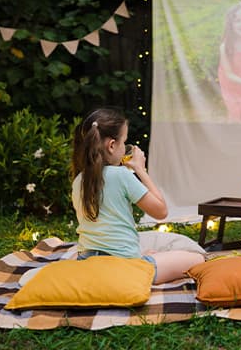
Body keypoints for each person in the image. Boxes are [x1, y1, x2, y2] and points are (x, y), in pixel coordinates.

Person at [70, 107, 205, 283]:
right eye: (124, 142)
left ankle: (140, 257)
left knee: (148, 253)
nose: (125, 147)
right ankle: (141, 262)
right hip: (124, 267)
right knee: (196, 258)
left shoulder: (79, 180)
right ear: (112, 145)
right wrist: (140, 170)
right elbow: (161, 211)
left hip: (86, 261)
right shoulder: (121, 175)